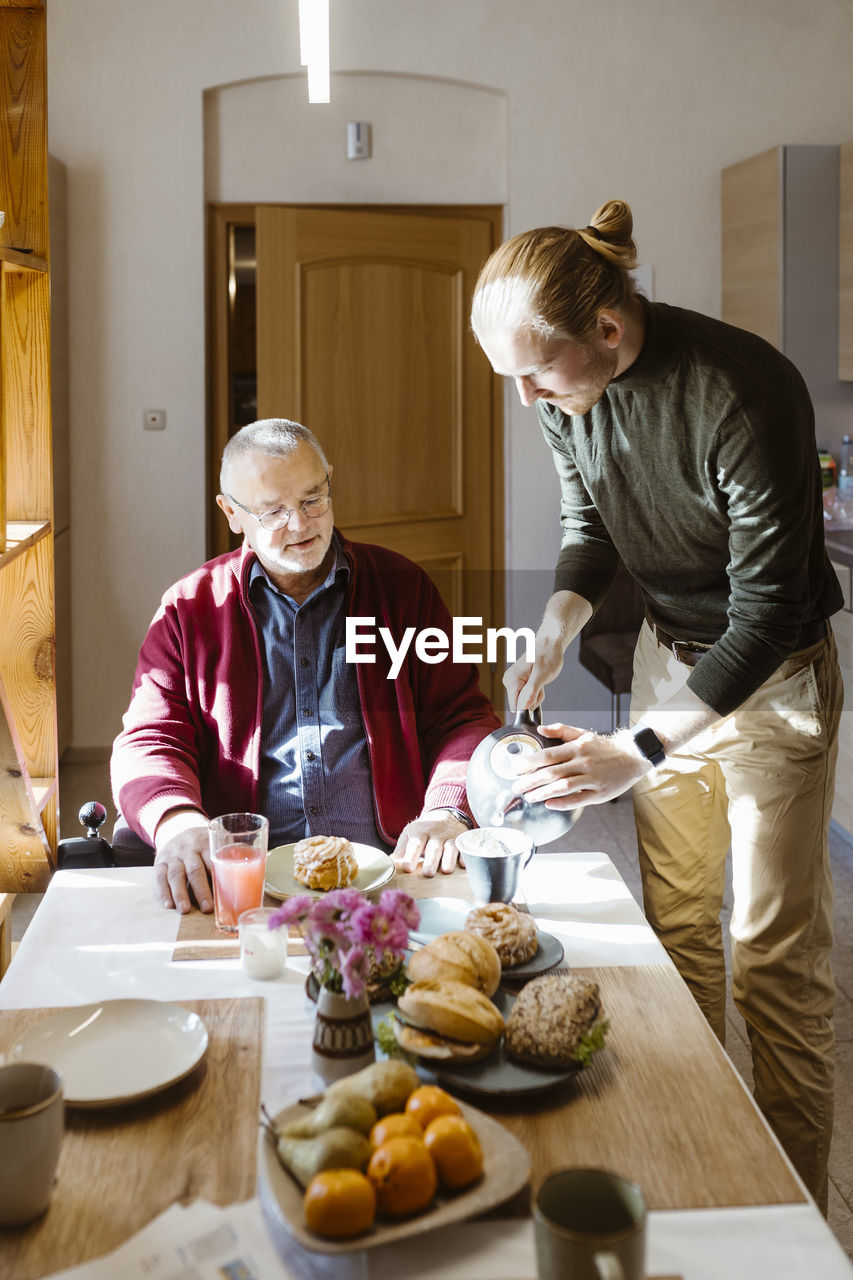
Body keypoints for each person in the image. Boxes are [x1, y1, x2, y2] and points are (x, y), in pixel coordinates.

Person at [470, 200, 843, 1210]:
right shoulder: (563, 393)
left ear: (605, 329)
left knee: (771, 959)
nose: (524, 397)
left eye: (535, 372)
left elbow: (766, 617)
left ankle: (792, 1222)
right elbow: (589, 522)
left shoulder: (740, 390)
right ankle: (696, 1174)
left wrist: (631, 749)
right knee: (675, 936)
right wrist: (555, 621)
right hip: (665, 657)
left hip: (770, 686)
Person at [111, 418, 499, 911]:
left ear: (330, 480)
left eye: (314, 499)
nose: (300, 525)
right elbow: (149, 740)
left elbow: (462, 717)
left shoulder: (405, 590)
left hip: (392, 870)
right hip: (242, 883)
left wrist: (448, 811)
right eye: (273, 511)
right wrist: (178, 823)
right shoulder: (188, 609)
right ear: (232, 513)